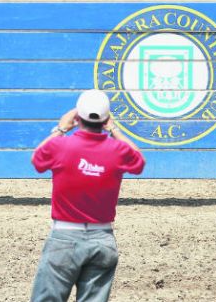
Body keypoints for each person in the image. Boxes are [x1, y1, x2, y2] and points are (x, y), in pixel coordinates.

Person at [29, 89, 146, 302]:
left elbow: (37, 158)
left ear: (77, 117)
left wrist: (60, 129)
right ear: (105, 119)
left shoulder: (60, 145)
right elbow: (139, 159)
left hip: (64, 236)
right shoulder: (117, 150)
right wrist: (114, 130)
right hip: (103, 238)